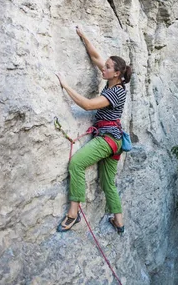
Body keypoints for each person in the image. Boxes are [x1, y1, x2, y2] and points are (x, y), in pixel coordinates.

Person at [55, 25, 132, 234]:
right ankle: (119, 221)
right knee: (108, 183)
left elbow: (88, 105)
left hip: (107, 140)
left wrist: (65, 86)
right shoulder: (114, 80)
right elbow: (95, 55)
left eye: (107, 67)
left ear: (116, 73)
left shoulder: (115, 93)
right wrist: (83, 35)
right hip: (115, 141)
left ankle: (73, 214)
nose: (103, 69)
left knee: (76, 164)